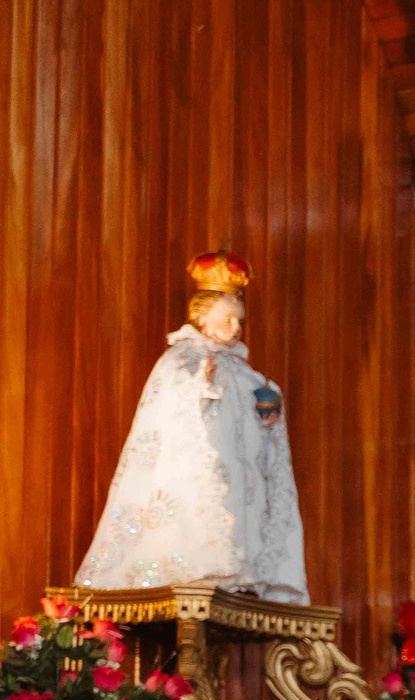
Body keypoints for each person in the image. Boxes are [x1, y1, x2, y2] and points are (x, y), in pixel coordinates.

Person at [75, 250, 306, 603]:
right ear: (202, 317)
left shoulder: (246, 373)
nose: (235, 328)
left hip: (241, 483)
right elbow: (173, 413)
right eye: (227, 319)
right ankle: (203, 561)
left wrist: (269, 411)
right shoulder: (181, 359)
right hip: (201, 476)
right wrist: (202, 386)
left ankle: (244, 572)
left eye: (239, 321)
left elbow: (261, 426)